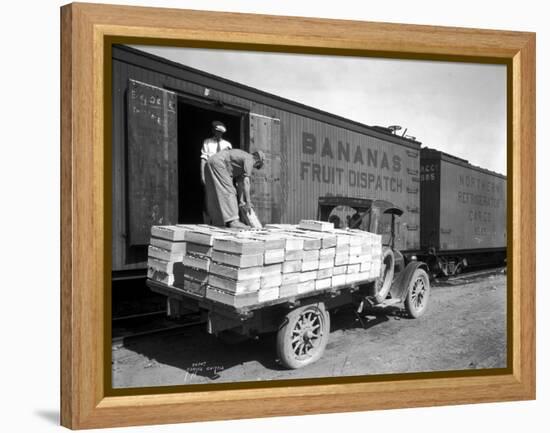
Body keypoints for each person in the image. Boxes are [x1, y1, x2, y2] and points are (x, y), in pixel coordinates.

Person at [204, 149, 265, 228]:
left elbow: (240, 184)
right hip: (220, 162)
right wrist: (248, 202)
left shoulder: (241, 162)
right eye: (257, 166)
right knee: (229, 191)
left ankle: (218, 222)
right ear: (258, 161)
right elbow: (246, 182)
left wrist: (242, 201)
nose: (254, 168)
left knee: (214, 193)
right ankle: (233, 221)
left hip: (211, 161)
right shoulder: (250, 159)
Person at [200, 121, 232, 187]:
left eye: (221, 132)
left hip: (223, 173)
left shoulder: (227, 145)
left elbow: (229, 163)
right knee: (210, 194)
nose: (219, 133)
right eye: (217, 131)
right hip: (210, 172)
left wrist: (230, 178)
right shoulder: (207, 142)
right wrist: (203, 175)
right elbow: (203, 160)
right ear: (213, 131)